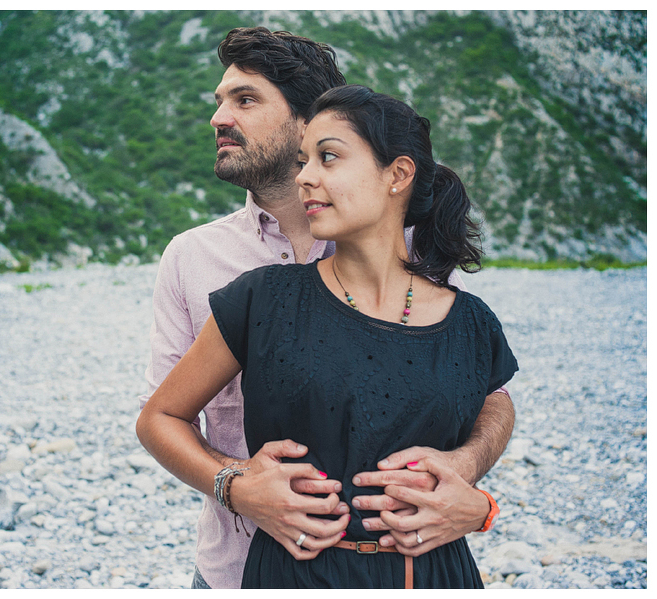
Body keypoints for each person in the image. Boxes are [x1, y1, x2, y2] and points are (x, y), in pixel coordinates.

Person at [138, 27, 514, 589]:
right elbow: (161, 416)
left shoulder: (414, 256)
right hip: (242, 567)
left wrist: (468, 475)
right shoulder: (194, 259)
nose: (218, 118)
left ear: (307, 119)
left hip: (413, 568)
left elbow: (486, 395)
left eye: (244, 99)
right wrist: (238, 486)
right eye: (220, 101)